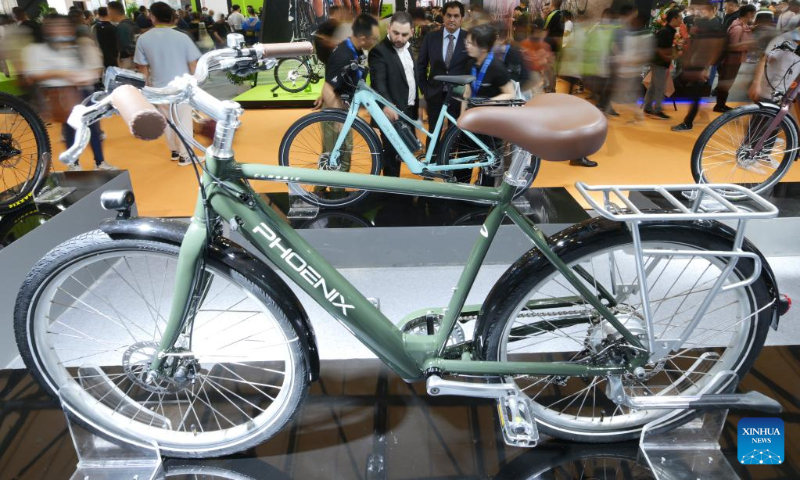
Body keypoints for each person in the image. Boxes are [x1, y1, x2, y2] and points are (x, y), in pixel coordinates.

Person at [23, 14, 115, 171]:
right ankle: (74, 164)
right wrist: (63, 74)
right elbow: (33, 75)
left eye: (64, 25)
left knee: (94, 128)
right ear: (47, 29)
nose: (61, 29)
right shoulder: (39, 50)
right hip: (62, 93)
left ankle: (99, 161)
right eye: (56, 26)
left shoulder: (80, 45)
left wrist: (87, 74)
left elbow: (95, 68)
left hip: (86, 91)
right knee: (70, 129)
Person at [134, 2, 202, 166]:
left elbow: (142, 67)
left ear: (153, 17)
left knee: (168, 121)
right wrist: (197, 84)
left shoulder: (143, 39)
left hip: (158, 86)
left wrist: (144, 88)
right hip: (182, 85)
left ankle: (175, 151)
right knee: (183, 120)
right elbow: (193, 64)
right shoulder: (182, 36)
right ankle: (186, 156)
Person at [369, 12, 418, 177]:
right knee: (391, 157)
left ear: (412, 31)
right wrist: (386, 105)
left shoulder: (410, 49)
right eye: (395, 33)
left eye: (404, 34)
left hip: (408, 110)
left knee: (404, 154)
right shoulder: (379, 51)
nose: (399, 38)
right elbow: (378, 83)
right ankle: (390, 196)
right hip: (390, 112)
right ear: (389, 28)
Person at [416, 1, 470, 138]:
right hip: (434, 94)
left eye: (456, 16)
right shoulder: (431, 37)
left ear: (462, 18)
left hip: (458, 95)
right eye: (449, 15)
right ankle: (433, 159)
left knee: (455, 136)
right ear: (443, 16)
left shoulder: (468, 39)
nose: (452, 19)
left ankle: (449, 159)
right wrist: (425, 90)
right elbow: (420, 66)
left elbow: (472, 67)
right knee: (433, 133)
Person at [671, 0, 726, 131]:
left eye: (703, 9)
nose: (699, 11)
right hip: (693, 63)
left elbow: (714, 47)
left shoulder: (715, 24)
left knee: (694, 94)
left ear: (712, 9)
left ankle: (688, 122)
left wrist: (706, 67)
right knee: (681, 86)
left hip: (700, 65)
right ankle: (690, 118)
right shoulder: (704, 22)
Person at [715, 4, 756, 112]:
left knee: (727, 82)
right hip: (731, 59)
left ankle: (721, 104)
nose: (754, 15)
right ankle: (719, 105)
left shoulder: (742, 25)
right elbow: (732, 45)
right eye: (753, 13)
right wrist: (748, 43)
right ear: (749, 13)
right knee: (725, 82)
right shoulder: (737, 27)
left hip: (735, 58)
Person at [642, 9, 681, 120]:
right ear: (673, 19)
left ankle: (648, 106)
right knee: (660, 87)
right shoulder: (665, 31)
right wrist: (668, 56)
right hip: (659, 63)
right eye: (680, 19)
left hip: (658, 62)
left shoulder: (670, 31)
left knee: (654, 86)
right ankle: (657, 110)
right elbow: (658, 47)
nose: (681, 21)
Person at [108, 1, 138, 69]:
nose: (108, 14)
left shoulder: (122, 27)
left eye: (109, 11)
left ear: (113, 12)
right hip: (135, 58)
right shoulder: (132, 23)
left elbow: (127, 45)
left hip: (128, 60)